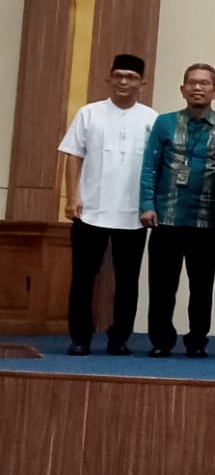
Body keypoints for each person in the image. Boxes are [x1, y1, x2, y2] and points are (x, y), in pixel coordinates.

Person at [59, 54, 158, 356]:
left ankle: (119, 338)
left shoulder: (152, 119)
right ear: (109, 79)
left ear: (142, 82)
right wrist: (72, 195)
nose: (124, 82)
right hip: (90, 210)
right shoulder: (89, 113)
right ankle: (80, 338)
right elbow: (72, 154)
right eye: (118, 75)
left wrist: (150, 204)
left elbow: (157, 165)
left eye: (130, 77)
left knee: (128, 281)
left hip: (134, 214)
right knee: (83, 278)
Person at [141, 63, 215, 358]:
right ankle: (161, 340)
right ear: (182, 88)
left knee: (202, 287)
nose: (198, 88)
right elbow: (150, 167)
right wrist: (146, 204)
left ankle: (197, 341)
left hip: (208, 219)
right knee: (162, 286)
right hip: (166, 217)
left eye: (205, 83)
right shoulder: (165, 123)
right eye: (192, 83)